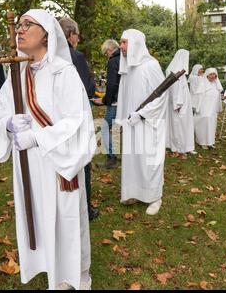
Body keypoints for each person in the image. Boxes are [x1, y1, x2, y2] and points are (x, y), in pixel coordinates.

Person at [0, 9, 96, 290]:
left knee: (64, 219)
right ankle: (48, 265)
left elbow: (78, 122)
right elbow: (1, 114)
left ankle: (73, 275)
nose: (20, 30)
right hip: (29, 164)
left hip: (57, 164)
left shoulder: (64, 73)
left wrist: (37, 138)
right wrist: (10, 126)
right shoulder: (17, 73)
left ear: (47, 34)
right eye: (19, 25)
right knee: (38, 215)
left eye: (28, 25)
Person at [115, 29, 167, 216]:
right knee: (133, 160)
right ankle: (134, 192)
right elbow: (124, 95)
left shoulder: (151, 65)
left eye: (124, 42)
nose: (121, 47)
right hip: (132, 123)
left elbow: (161, 96)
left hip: (148, 123)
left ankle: (154, 197)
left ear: (135, 43)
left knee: (149, 161)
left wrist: (142, 114)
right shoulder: (128, 67)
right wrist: (125, 117)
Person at [59, 17, 98, 221]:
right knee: (83, 163)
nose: (78, 38)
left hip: (56, 120)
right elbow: (87, 89)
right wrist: (91, 81)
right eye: (77, 34)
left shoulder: (49, 54)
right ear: (70, 35)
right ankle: (85, 209)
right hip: (76, 117)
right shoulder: (75, 56)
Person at [165, 49, 196, 155]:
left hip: (184, 102)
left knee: (185, 124)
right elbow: (174, 89)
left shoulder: (179, 71)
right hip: (179, 103)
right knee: (179, 125)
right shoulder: (175, 70)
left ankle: (186, 146)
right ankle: (179, 147)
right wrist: (177, 103)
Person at [98, 39, 121, 168]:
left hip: (115, 101)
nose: (106, 55)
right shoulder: (124, 59)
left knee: (105, 128)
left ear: (110, 49)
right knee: (118, 128)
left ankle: (111, 158)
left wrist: (106, 100)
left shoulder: (113, 61)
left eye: (106, 52)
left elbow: (112, 84)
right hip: (124, 100)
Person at [193, 68, 223, 149]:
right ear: (207, 75)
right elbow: (198, 97)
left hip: (212, 110)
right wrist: (198, 108)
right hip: (204, 109)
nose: (213, 76)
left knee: (212, 125)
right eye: (211, 74)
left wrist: (218, 108)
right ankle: (202, 142)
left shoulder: (216, 85)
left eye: (214, 74)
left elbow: (218, 99)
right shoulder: (203, 84)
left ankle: (210, 142)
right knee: (203, 124)